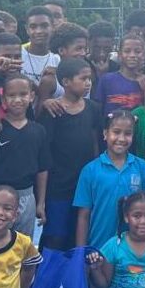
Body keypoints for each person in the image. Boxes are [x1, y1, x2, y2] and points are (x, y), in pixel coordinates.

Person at [74, 109, 145, 288]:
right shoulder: (91, 170)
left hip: (131, 254)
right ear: (104, 134)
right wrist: (81, 254)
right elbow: (83, 216)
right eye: (116, 132)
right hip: (98, 253)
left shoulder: (142, 168)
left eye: (127, 133)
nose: (121, 138)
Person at [0, 76, 50, 237]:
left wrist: (41, 203)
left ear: (31, 96)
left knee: (22, 245)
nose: (17, 100)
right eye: (12, 95)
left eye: (23, 94)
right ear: (3, 99)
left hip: (26, 196)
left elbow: (42, 170)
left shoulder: (39, 131)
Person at [38, 58, 101, 251]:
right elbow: (44, 155)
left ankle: (77, 279)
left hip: (85, 185)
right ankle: (51, 280)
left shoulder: (93, 108)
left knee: (80, 237)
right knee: (55, 239)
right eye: (83, 78)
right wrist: (41, 198)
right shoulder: (52, 111)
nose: (88, 83)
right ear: (65, 82)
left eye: (90, 79)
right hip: (58, 187)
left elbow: (96, 143)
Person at [92, 34, 145, 116]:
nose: (132, 55)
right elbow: (98, 110)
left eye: (137, 52)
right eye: (127, 51)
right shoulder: (106, 80)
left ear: (143, 55)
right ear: (120, 55)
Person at [21, 6, 60, 88]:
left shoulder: (57, 61)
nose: (39, 31)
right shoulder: (17, 55)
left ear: (52, 27)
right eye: (33, 27)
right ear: (27, 29)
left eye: (44, 26)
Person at [86, 20, 120, 85]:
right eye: (96, 48)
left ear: (113, 44)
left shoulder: (117, 68)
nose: (101, 54)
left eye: (106, 49)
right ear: (88, 43)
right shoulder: (79, 66)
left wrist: (103, 76)